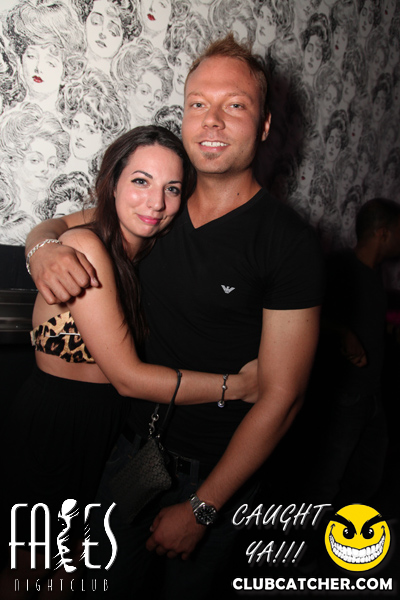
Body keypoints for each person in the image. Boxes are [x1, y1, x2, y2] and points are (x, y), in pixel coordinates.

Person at [24, 34, 324, 599]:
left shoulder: (286, 242)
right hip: (129, 451)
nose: (212, 119)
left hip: (216, 475)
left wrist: (203, 507)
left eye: (235, 105)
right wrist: (41, 249)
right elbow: (66, 226)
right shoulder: (159, 210)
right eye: (197, 103)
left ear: (264, 125)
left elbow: (283, 398)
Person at [0, 125, 257, 600]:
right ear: (113, 183)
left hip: (111, 430)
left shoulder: (153, 247)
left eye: (172, 188)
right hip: (58, 426)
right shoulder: (87, 246)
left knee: (74, 570)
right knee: (32, 571)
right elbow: (128, 378)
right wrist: (236, 386)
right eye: (141, 181)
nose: (155, 202)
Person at [308, 198, 400, 506]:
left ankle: (345, 525)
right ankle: (310, 535)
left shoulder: (375, 273)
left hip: (371, 394)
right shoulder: (340, 266)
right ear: (383, 233)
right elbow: (307, 319)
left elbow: (363, 319)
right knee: (325, 482)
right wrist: (343, 333)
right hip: (344, 396)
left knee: (367, 477)